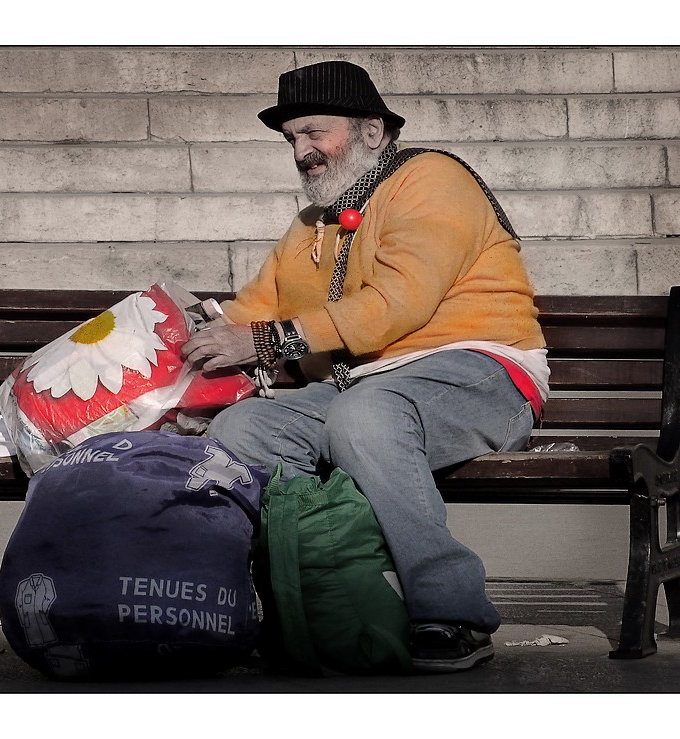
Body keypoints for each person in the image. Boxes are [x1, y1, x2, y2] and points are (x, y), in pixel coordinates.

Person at [181, 60, 549, 673]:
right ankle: (311, 600)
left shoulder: (432, 179)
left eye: (315, 133)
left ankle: (453, 613)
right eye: (293, 138)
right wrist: (169, 353)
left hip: (482, 371)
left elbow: (399, 302)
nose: (303, 152)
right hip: (366, 392)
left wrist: (272, 341)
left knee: (364, 415)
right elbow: (249, 316)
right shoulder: (309, 227)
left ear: (372, 131)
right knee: (241, 432)